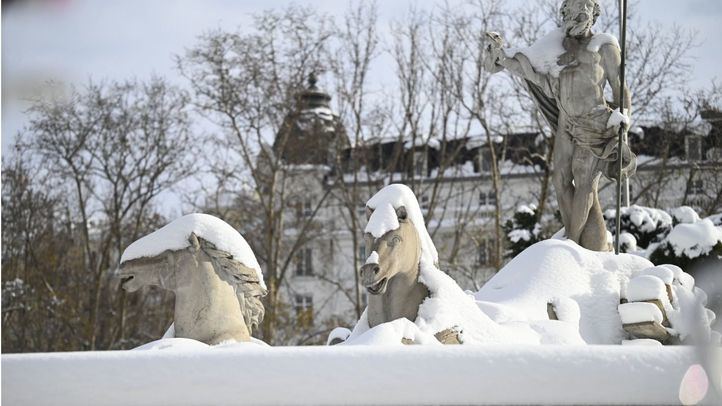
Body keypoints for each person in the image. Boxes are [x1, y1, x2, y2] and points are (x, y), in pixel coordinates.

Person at [484, 0, 635, 251]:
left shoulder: (605, 47)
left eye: (579, 13)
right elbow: (533, 73)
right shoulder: (555, 47)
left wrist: (623, 121)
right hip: (566, 123)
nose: (572, 19)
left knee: (584, 180)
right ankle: (575, 235)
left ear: (592, 15)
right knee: (560, 180)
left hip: (594, 123)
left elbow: (621, 89)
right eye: (567, 13)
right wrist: (501, 56)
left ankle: (573, 244)